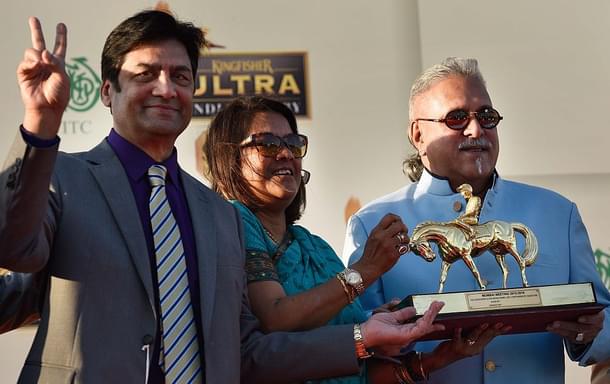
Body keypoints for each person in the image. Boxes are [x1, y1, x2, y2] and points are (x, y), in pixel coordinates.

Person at [0, 10, 445, 383]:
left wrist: (362, 337)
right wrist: (40, 124)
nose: (165, 88)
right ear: (107, 90)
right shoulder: (61, 176)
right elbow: (13, 246)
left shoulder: (217, 215)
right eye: (145, 74)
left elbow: (247, 354)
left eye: (180, 76)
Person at [343, 57, 610, 384]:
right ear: (418, 134)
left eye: (486, 117)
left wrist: (590, 332)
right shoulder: (373, 224)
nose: (476, 129)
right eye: (456, 119)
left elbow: (602, 325)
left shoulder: (557, 213)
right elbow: (355, 344)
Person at [203, 96, 441, 383]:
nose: (285, 154)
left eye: (292, 143)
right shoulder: (233, 222)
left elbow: (349, 359)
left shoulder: (315, 247)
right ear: (229, 158)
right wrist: (366, 270)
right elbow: (274, 318)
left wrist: (441, 354)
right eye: (267, 144)